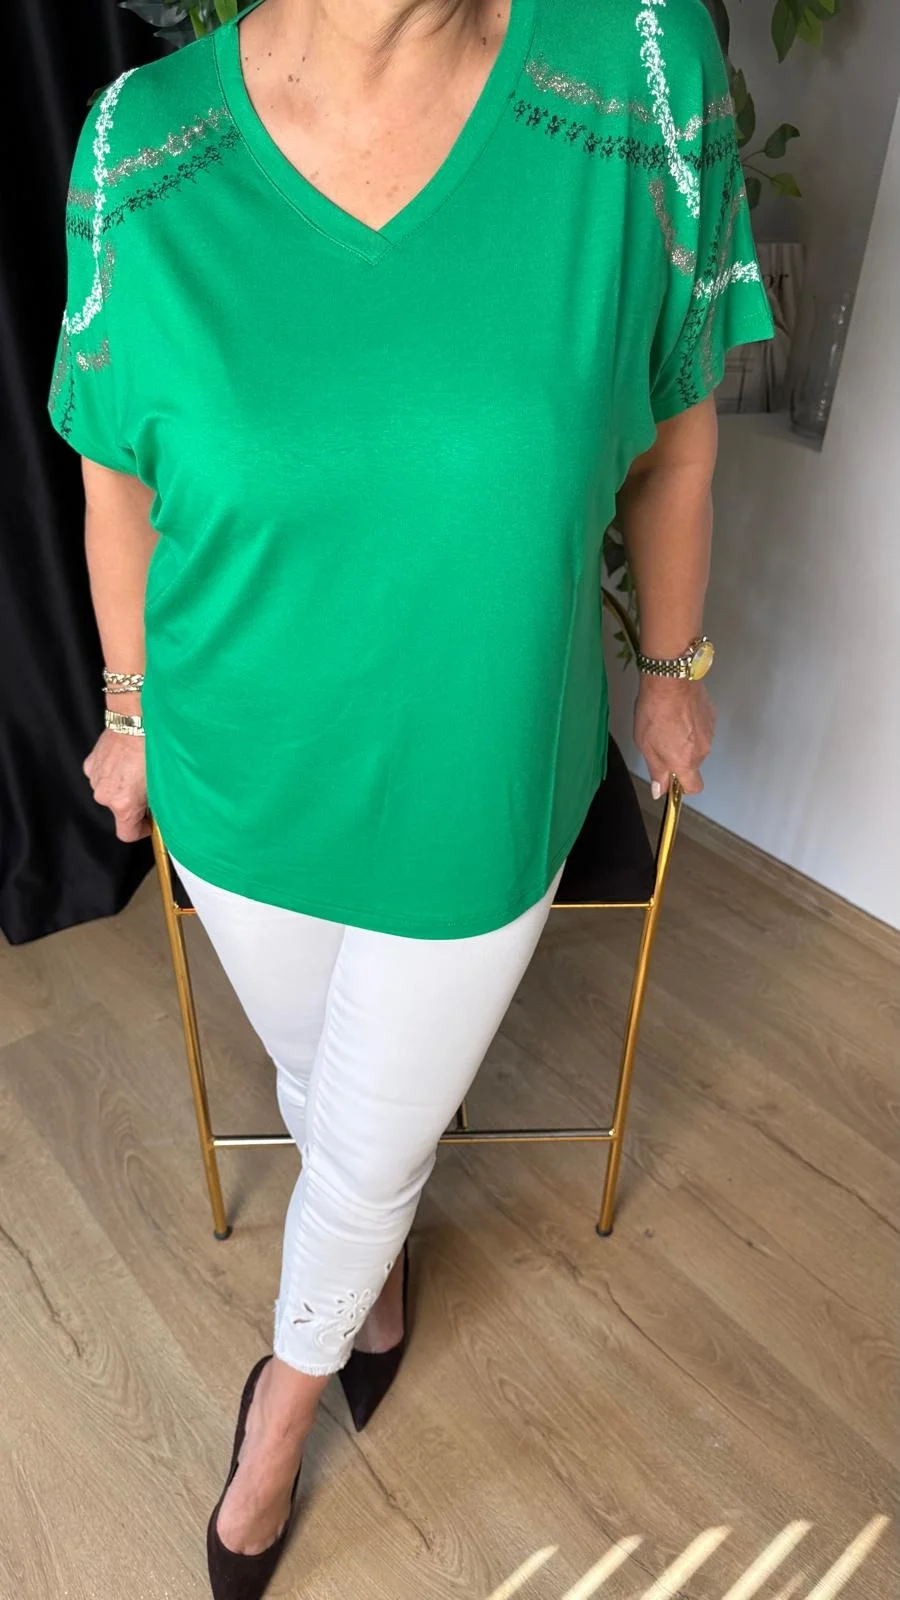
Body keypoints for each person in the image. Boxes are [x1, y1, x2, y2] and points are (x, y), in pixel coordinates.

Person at [48, 0, 773, 1592]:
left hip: (481, 777)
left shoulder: (637, 75)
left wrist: (670, 663)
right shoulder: (137, 147)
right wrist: (130, 710)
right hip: (240, 782)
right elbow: (117, 485)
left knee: (373, 1142)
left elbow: (676, 436)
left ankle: (277, 1418)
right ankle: (371, 1295)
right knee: (329, 1082)